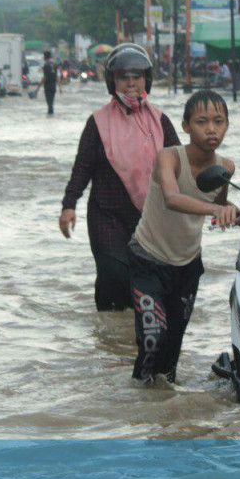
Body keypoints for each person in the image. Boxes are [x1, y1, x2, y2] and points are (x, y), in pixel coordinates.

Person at [60, 44, 181, 311]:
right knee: (114, 273)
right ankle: (107, 333)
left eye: (136, 77)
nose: (130, 83)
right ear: (112, 81)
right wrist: (69, 205)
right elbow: (82, 168)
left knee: (147, 283)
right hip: (106, 214)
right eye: (123, 77)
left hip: (150, 217)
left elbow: (181, 167)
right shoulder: (97, 123)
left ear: (145, 80)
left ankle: (130, 337)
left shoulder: (161, 122)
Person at [129, 90, 236, 383]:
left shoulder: (226, 168)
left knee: (172, 348)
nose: (211, 129)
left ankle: (167, 414)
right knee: (153, 337)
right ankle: (139, 402)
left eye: (219, 121)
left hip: (187, 265)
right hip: (147, 257)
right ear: (186, 126)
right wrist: (217, 207)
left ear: (227, 124)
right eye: (201, 122)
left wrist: (231, 211)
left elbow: (219, 206)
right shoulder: (169, 157)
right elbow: (172, 198)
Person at [38, 50, 58, 115]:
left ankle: (50, 116)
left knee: (49, 103)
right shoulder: (55, 65)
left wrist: (38, 88)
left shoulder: (45, 66)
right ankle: (51, 116)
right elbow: (57, 76)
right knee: (51, 102)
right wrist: (60, 88)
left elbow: (44, 78)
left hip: (47, 87)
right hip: (54, 86)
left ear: (44, 58)